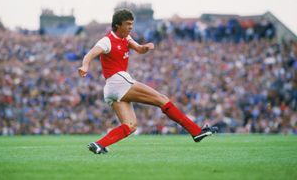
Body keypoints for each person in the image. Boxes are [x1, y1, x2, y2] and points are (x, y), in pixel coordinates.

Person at [78, 9, 218, 154]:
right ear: (117, 25)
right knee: (162, 100)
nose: (131, 27)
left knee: (130, 125)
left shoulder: (126, 38)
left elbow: (138, 49)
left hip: (112, 88)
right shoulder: (107, 40)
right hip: (118, 81)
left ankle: (99, 145)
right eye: (127, 24)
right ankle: (196, 131)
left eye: (132, 24)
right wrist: (85, 65)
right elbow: (90, 54)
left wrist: (145, 48)